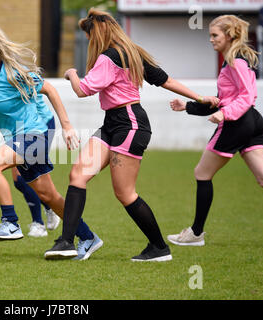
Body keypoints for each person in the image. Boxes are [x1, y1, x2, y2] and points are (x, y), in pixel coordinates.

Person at [44, 8, 219, 261]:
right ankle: (66, 242)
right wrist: (201, 97)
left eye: (90, 35)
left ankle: (159, 247)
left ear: (99, 33)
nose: (90, 41)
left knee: (124, 192)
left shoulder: (108, 57)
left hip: (130, 124)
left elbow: (83, 90)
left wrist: (71, 74)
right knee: (78, 175)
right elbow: (166, 80)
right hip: (113, 123)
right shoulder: (132, 53)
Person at [0, 18, 103, 260]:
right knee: (48, 196)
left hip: (34, 132)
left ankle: (10, 222)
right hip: (18, 136)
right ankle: (88, 236)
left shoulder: (13, 73)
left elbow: (50, 90)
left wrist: (66, 127)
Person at [167, 15, 263, 246]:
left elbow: (247, 96)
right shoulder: (233, 59)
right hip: (252, 122)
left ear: (229, 35)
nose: (211, 40)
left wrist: (225, 114)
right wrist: (188, 106)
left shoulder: (237, 60)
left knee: (202, 173)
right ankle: (195, 233)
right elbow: (224, 100)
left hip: (239, 123)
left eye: (215, 35)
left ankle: (195, 234)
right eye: (210, 36)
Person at [11, 94, 61, 237]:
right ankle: (49, 207)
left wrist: (66, 124)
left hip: (38, 125)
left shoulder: (23, 73)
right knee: (19, 181)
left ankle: (38, 224)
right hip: (18, 125)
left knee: (26, 177)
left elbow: (49, 89)